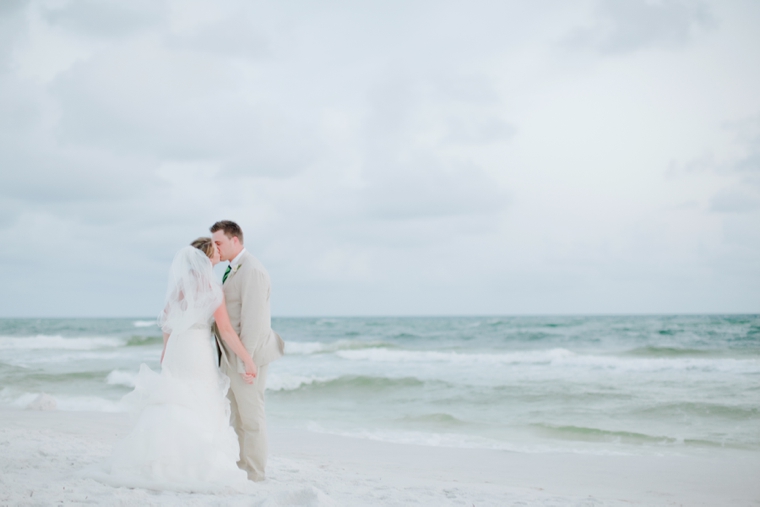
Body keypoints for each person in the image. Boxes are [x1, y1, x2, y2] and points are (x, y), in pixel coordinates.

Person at [100, 238, 258, 491]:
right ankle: (191, 460)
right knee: (200, 396)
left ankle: (159, 455)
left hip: (177, 346)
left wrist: (165, 347)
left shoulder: (182, 285)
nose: (219, 251)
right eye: (215, 249)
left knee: (174, 396)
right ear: (208, 258)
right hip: (196, 348)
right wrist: (248, 359)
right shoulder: (213, 288)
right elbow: (226, 330)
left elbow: (166, 318)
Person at [210, 220, 284, 482]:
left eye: (218, 242)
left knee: (252, 419)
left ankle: (255, 474)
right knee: (237, 418)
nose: (214, 248)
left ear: (235, 240)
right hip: (232, 356)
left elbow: (254, 323)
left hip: (248, 357)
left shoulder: (252, 270)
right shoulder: (232, 269)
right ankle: (241, 468)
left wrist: (246, 362)